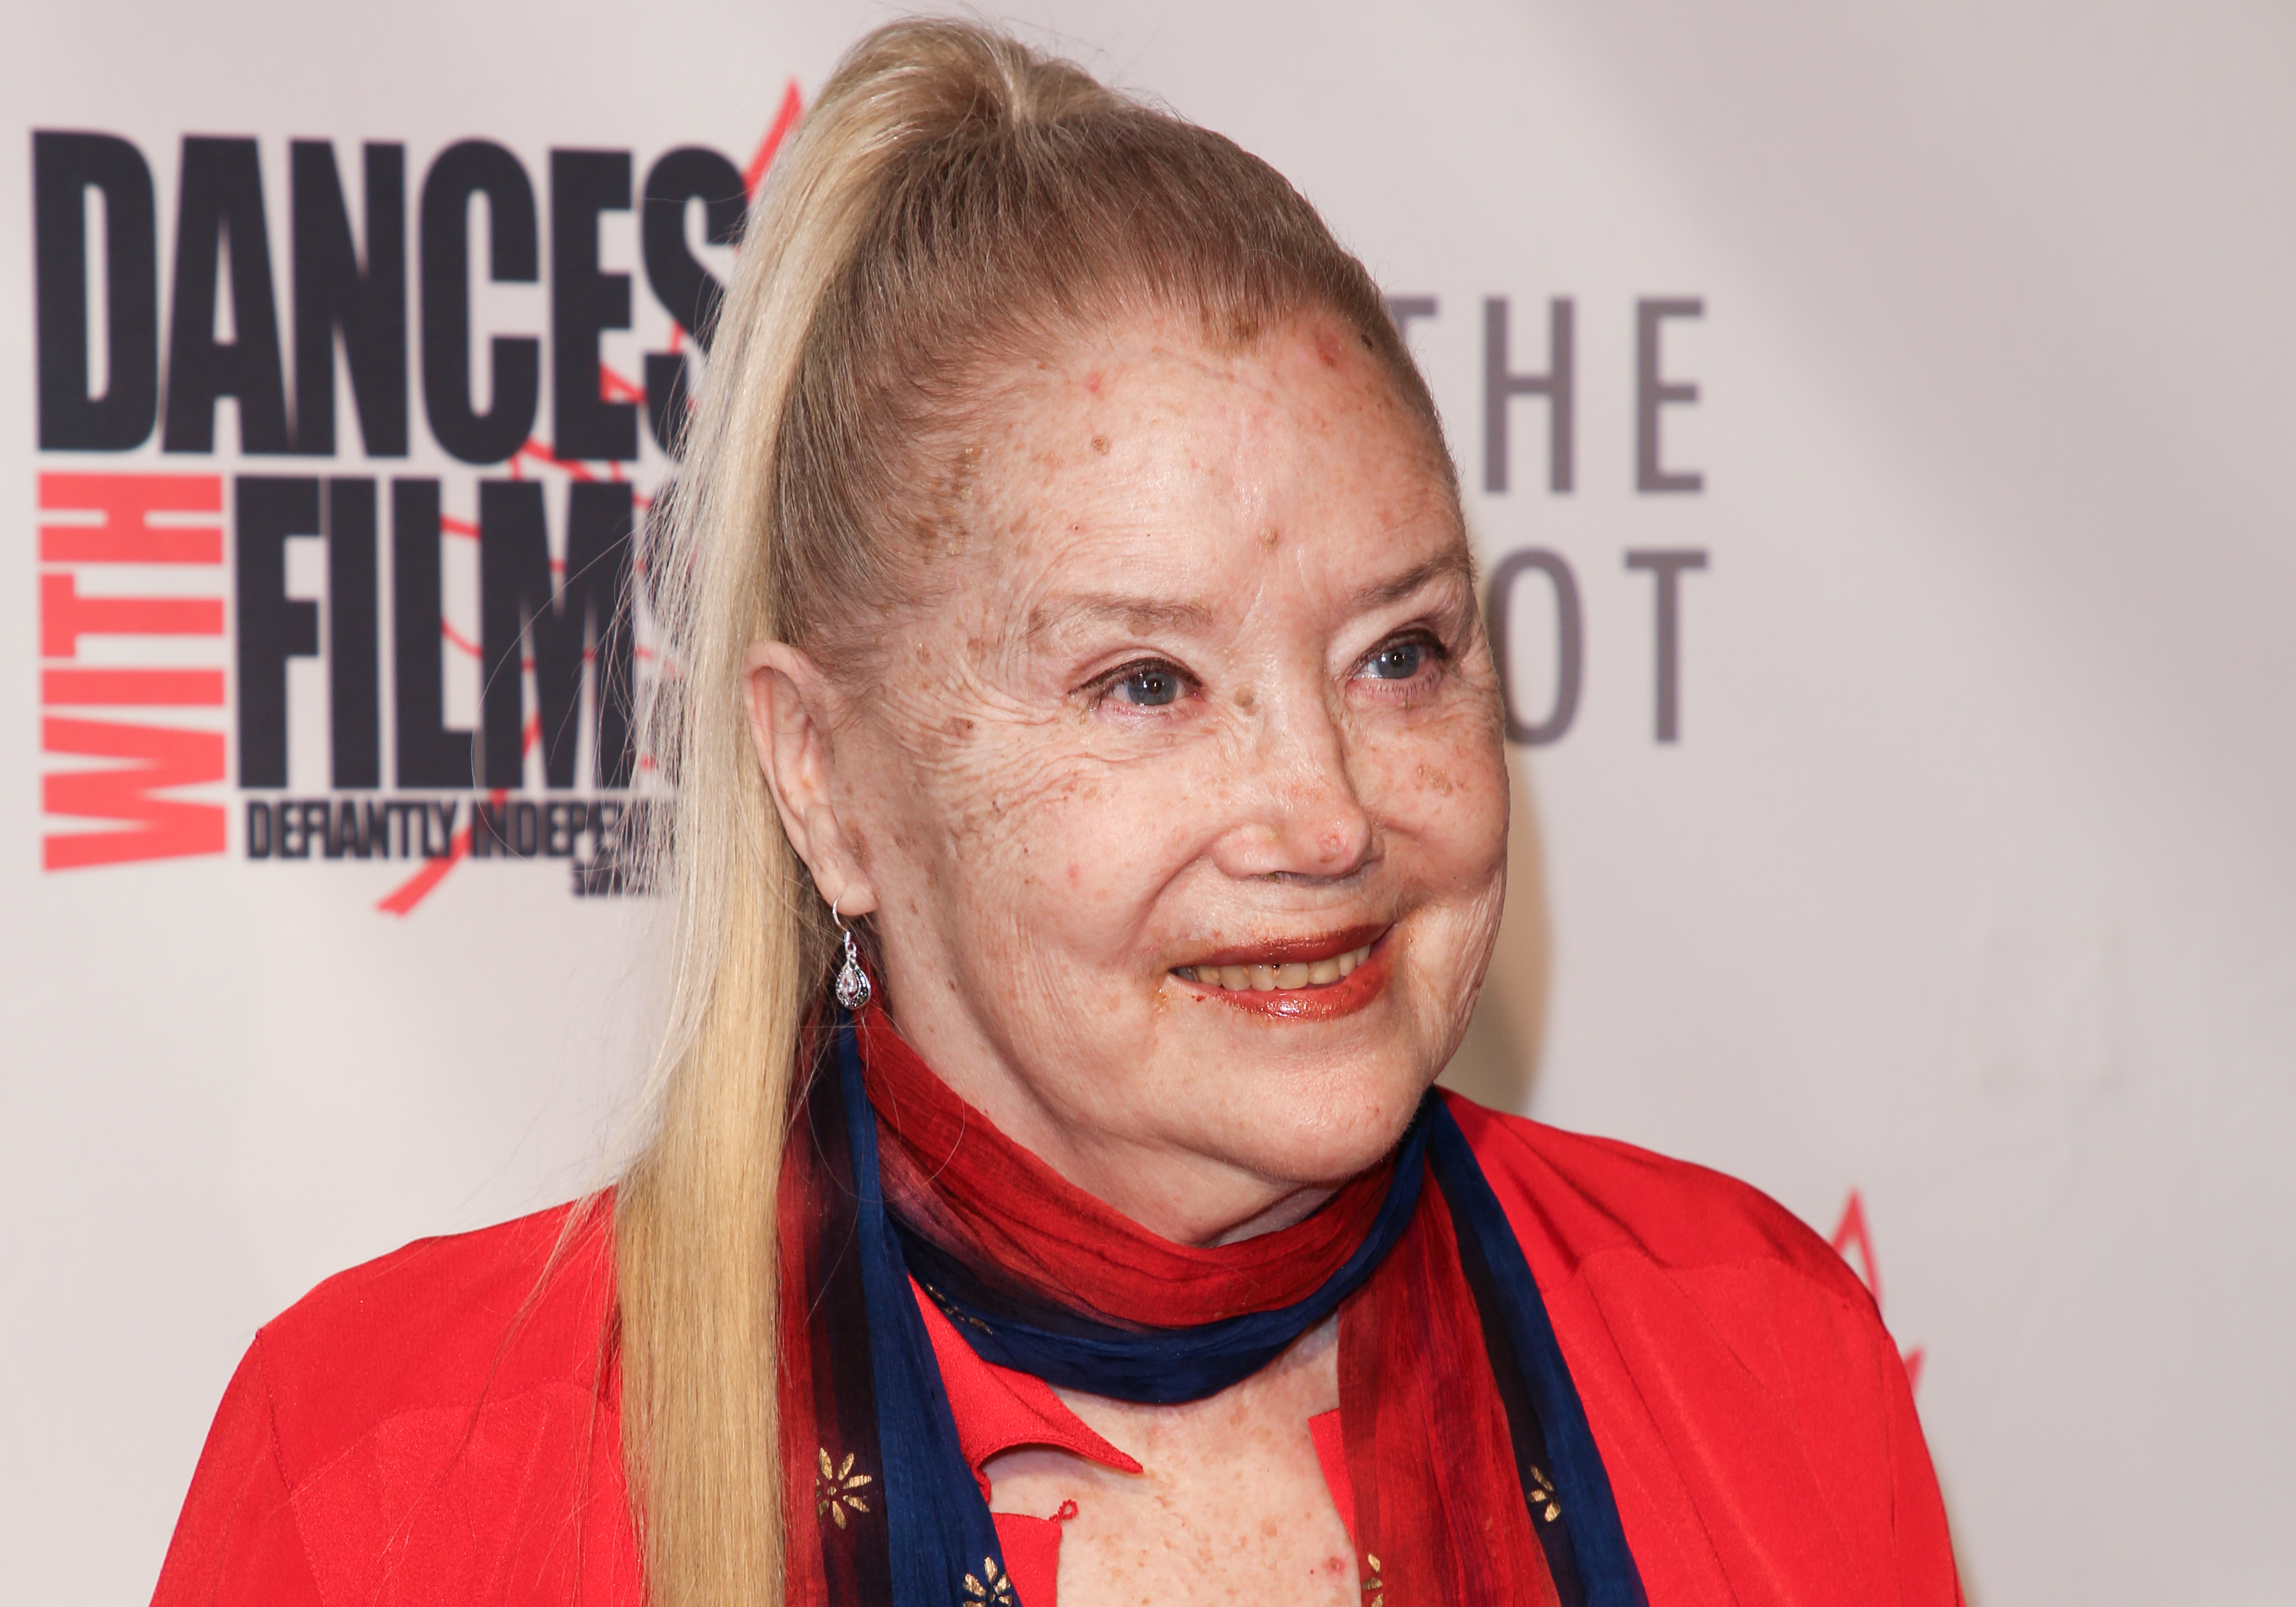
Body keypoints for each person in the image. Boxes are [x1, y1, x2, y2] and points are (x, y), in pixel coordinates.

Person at [152, 19, 1961, 1607]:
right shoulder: (393, 1480)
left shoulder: (1759, 1355)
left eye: (1400, 653)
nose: (1324, 813)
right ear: (827, 780)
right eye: (1147, 684)